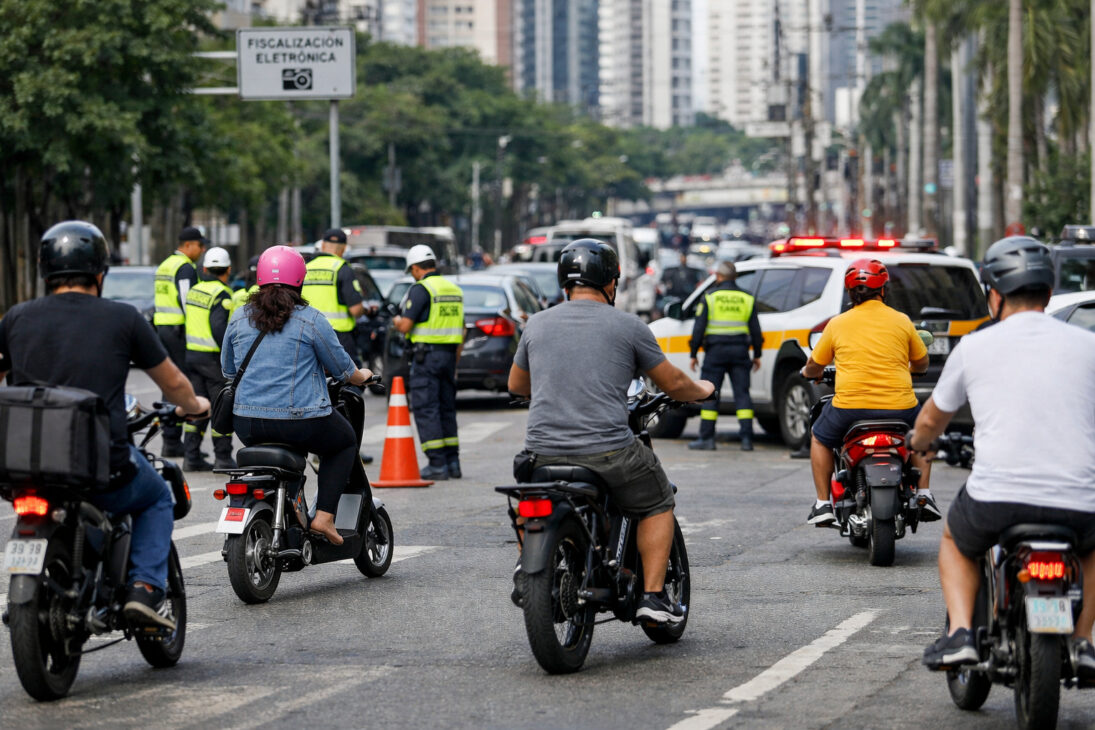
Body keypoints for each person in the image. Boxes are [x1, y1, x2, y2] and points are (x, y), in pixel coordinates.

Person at [0, 221, 209, 629]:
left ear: (45, 271)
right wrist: (195, 405)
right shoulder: (123, 318)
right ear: (100, 273)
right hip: (101, 462)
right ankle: (145, 588)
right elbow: (172, 382)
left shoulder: (15, 318)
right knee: (156, 496)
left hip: (24, 464)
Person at [911, 237, 1095, 676]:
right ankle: (1084, 640)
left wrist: (919, 444)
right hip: (1078, 502)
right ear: (1048, 292)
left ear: (994, 294)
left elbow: (931, 420)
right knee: (1092, 549)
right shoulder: (1088, 345)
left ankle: (960, 634)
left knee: (956, 540)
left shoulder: (974, 347)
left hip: (996, 500)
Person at [507, 238, 714, 625]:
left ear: (564, 283)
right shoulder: (629, 326)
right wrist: (701, 389)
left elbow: (517, 385)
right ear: (610, 283)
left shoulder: (537, 324)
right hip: (608, 451)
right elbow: (672, 382)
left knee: (531, 496)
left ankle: (527, 565)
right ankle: (653, 597)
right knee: (657, 500)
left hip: (541, 452)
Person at [222, 245, 374, 545]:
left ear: (260, 280)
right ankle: (324, 517)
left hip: (247, 423)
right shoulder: (311, 319)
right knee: (344, 442)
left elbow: (228, 370)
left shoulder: (239, 317)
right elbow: (343, 370)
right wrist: (364, 376)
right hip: (301, 421)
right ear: (299, 281)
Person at [800, 258, 939, 526]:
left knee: (820, 437)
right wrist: (913, 369)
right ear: (883, 289)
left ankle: (822, 504)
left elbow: (815, 365)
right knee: (923, 434)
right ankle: (924, 494)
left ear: (850, 293)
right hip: (901, 407)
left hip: (849, 410)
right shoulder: (901, 321)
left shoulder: (838, 323)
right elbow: (922, 362)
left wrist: (810, 373)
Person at [391, 244, 464, 480]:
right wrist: (454, 362)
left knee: (426, 408)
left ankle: (437, 464)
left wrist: (396, 321)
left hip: (426, 358)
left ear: (415, 268)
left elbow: (405, 326)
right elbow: (461, 331)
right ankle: (453, 463)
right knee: (446, 408)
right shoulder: (454, 289)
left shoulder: (421, 289)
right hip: (449, 356)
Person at [687, 260, 763, 451]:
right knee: (742, 394)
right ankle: (747, 440)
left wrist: (693, 353)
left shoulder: (710, 297)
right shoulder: (747, 298)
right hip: (740, 352)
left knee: (709, 394)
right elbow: (756, 330)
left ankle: (706, 438)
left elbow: (699, 328)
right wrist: (757, 354)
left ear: (718, 276)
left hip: (715, 353)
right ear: (735, 277)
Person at [153, 226, 206, 456]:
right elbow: (188, 301)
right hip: (178, 331)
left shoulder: (165, 265)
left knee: (169, 382)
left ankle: (170, 439)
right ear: (188, 245)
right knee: (181, 382)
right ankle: (174, 440)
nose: (202, 250)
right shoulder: (184, 268)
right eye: (200, 245)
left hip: (163, 329)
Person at [182, 246, 236, 471]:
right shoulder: (222, 294)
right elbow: (218, 328)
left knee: (197, 407)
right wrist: (231, 354)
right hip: (213, 360)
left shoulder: (195, 290)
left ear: (204, 269)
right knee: (220, 408)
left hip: (192, 356)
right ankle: (222, 457)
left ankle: (191, 456)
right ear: (228, 269)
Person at [301, 228, 366, 364]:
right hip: (338, 337)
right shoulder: (342, 268)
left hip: (306, 334)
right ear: (344, 248)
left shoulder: (305, 268)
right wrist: (365, 310)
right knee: (350, 374)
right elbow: (356, 310)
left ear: (323, 245)